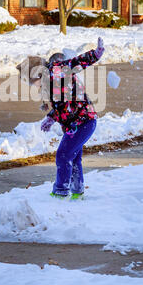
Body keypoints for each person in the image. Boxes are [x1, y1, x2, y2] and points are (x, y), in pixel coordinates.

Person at [40, 37, 105, 200]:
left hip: (83, 122)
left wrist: (95, 55)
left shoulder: (59, 69)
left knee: (63, 155)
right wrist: (51, 117)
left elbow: (78, 61)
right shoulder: (59, 84)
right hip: (80, 124)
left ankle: (60, 192)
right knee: (73, 157)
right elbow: (62, 107)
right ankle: (77, 192)